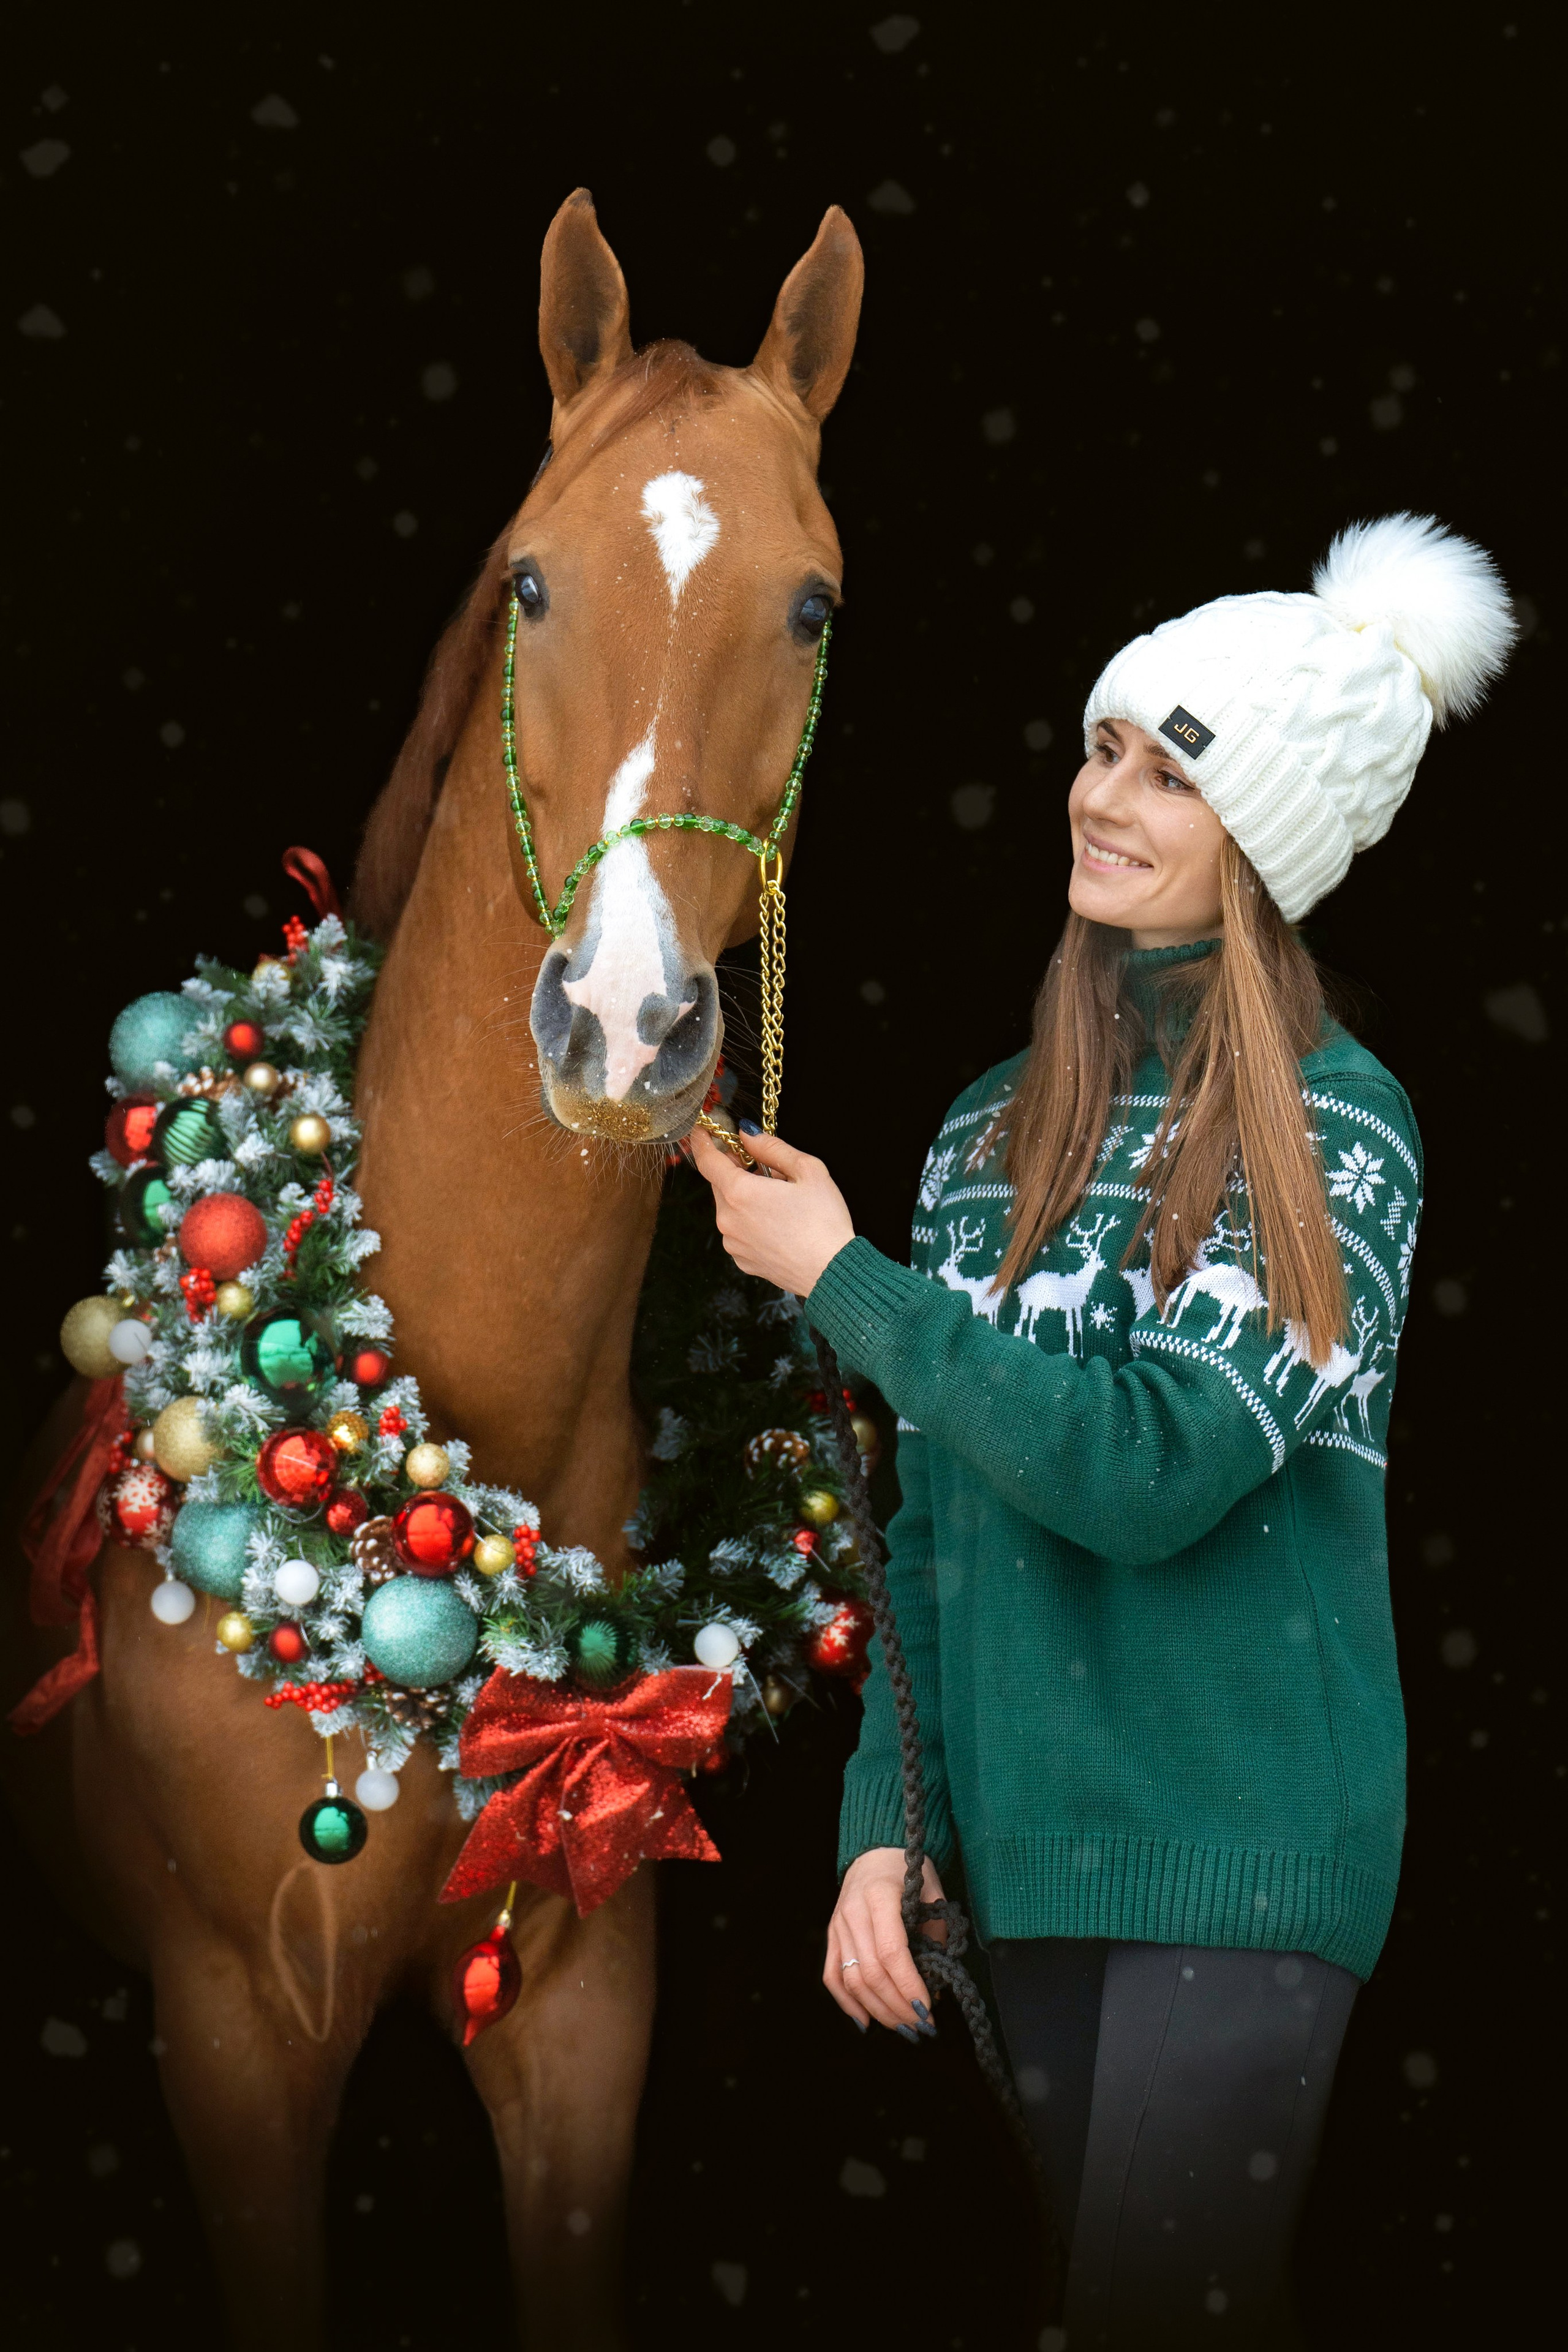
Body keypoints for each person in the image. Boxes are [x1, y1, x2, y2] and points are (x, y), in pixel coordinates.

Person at [692, 514, 1513, 2348]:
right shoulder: (992, 1130)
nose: (1107, 796)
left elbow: (1148, 1475)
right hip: (1023, 1856)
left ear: (1272, 839)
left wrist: (848, 1283)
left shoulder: (1337, 1130)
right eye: (1106, 745)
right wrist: (876, 1831)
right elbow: (928, 1531)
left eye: (1177, 771)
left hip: (1242, 1851)